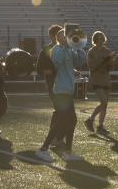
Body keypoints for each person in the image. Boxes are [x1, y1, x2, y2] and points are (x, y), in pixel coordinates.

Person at [35, 29, 87, 162]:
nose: (65, 37)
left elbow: (81, 61)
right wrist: (65, 46)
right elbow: (56, 60)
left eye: (66, 35)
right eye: (62, 35)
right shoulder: (56, 49)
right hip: (60, 89)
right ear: (57, 38)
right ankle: (43, 149)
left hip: (67, 90)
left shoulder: (70, 51)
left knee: (71, 120)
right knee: (62, 120)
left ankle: (67, 152)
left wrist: (78, 47)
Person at [36, 25, 65, 147]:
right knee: (60, 110)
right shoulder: (45, 50)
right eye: (59, 35)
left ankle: (57, 137)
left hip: (64, 84)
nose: (62, 37)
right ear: (52, 36)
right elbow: (39, 71)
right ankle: (53, 137)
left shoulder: (64, 49)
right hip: (53, 84)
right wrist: (53, 72)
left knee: (63, 111)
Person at [84, 31, 113, 134]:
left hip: (105, 80)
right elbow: (91, 67)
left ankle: (100, 126)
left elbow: (111, 68)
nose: (101, 41)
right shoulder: (91, 51)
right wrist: (102, 60)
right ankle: (90, 119)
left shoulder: (107, 50)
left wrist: (110, 63)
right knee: (103, 102)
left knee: (105, 105)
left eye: (102, 39)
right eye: (99, 39)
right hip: (96, 79)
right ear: (95, 40)